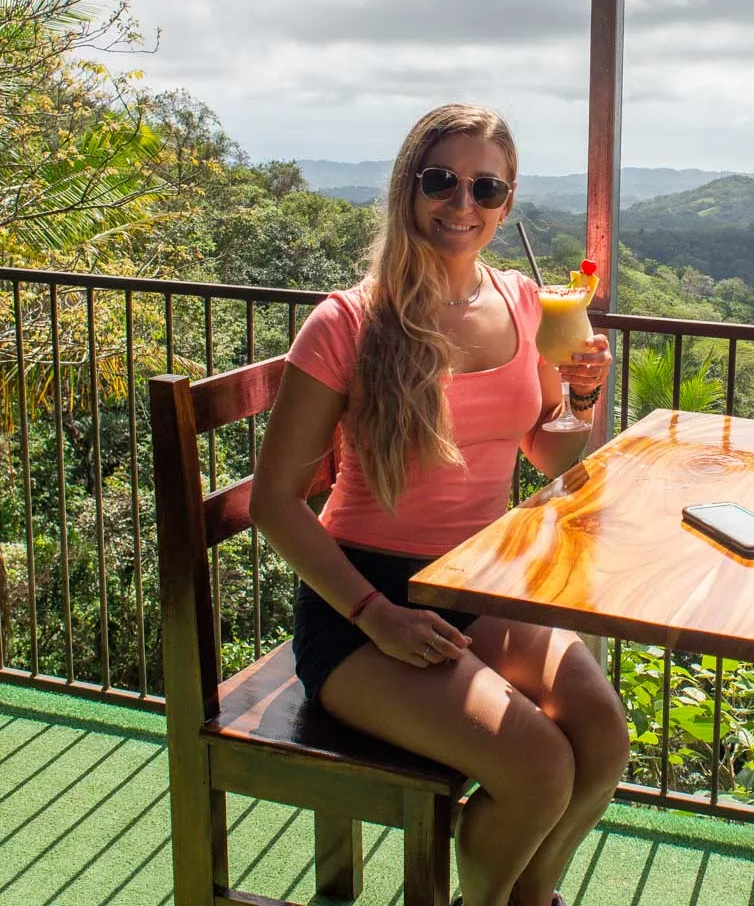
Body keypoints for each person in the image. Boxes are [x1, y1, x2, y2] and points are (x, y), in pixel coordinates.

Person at [250, 104, 630, 906]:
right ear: (407, 186)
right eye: (442, 180)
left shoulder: (528, 304)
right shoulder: (347, 323)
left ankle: (526, 899)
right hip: (364, 604)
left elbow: (550, 453)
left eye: (486, 187)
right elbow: (274, 502)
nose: (463, 204)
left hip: (478, 584)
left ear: (509, 199)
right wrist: (372, 615)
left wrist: (584, 398)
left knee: (601, 738)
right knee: (536, 764)